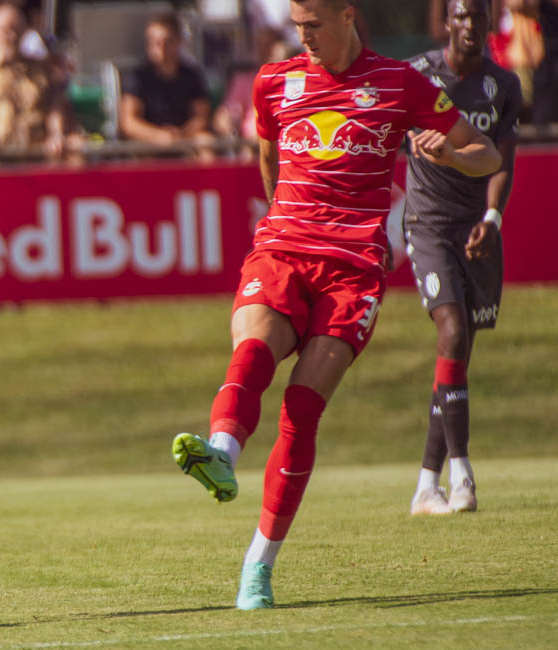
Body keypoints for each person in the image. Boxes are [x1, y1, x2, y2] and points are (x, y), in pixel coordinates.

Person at [169, 0, 501, 610]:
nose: (305, 37)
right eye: (297, 26)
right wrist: (284, 218)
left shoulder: (399, 82)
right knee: (253, 351)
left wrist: (451, 155)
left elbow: (488, 153)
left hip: (352, 270)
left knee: (301, 408)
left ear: (348, 15)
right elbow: (267, 157)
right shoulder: (274, 81)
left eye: (314, 25)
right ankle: (222, 453)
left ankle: (258, 565)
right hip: (283, 249)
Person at [403, 0, 521, 516]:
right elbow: (387, 128)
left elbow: (501, 161)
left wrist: (492, 218)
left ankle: (426, 487)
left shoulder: (504, 86)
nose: (470, 25)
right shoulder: (416, 74)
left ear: (490, 21)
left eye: (478, 16)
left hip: (475, 228)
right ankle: (463, 476)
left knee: (457, 355)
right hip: (428, 223)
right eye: (461, 16)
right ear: (446, 22)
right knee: (450, 331)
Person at [0, 2, 76, 165]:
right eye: (5, 30)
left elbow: (55, 106)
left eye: (16, 29)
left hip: (35, 158)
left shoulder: (40, 69)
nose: (11, 36)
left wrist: (56, 134)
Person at [118, 12, 213, 155]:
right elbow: (129, 123)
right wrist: (159, 136)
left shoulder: (192, 76)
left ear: (179, 41)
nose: (160, 48)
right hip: (147, 143)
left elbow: (201, 117)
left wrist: (180, 135)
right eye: (154, 42)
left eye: (167, 42)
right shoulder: (136, 77)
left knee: (207, 142)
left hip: (185, 139)